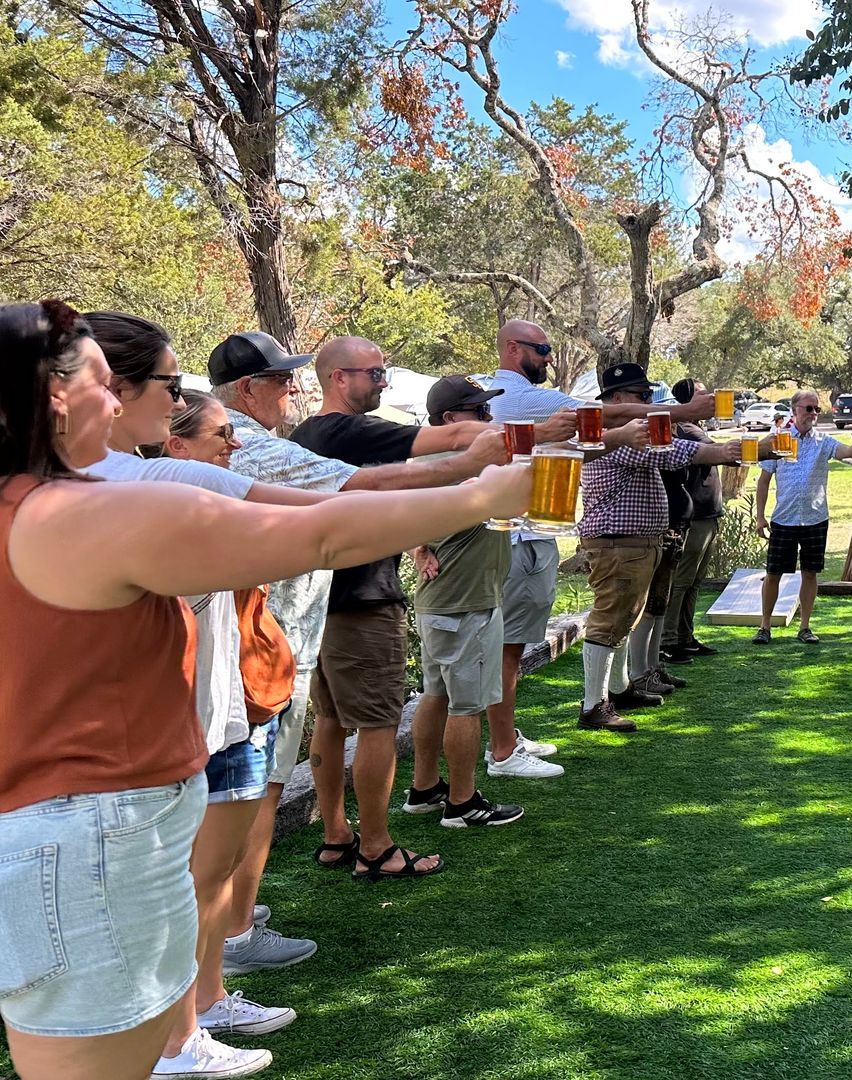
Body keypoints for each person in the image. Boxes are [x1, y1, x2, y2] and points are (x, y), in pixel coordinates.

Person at [0, 299, 527, 1080]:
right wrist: (481, 497)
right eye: (106, 385)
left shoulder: (42, 504)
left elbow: (327, 514)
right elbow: (320, 535)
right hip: (91, 841)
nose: (118, 404)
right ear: (53, 396)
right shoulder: (76, 514)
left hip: (71, 835)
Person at [289, 337, 510, 882]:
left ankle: (338, 836)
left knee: (334, 719)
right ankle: (377, 847)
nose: (384, 384)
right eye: (375, 374)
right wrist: (540, 433)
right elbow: (455, 438)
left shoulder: (304, 436)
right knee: (380, 724)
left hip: (320, 599)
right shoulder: (346, 430)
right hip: (363, 598)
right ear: (338, 378)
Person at [486, 321, 712, 772]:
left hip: (535, 535)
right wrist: (685, 412)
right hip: (525, 537)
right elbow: (601, 420)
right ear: (513, 349)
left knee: (512, 647)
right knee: (506, 649)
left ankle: (508, 739)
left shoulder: (531, 402)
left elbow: (587, 437)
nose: (550, 358)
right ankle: (508, 748)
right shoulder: (522, 397)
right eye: (543, 349)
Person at [157, 392, 307, 1054]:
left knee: (214, 871)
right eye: (221, 435)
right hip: (190, 719)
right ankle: (174, 1029)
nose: (234, 446)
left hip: (237, 708)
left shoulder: (210, 511)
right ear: (175, 447)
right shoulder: (163, 521)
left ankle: (208, 1002)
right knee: (191, 874)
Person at [579, 364, 741, 728]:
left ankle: (619, 689)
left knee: (625, 618)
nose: (648, 402)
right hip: (617, 542)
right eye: (641, 396)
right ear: (616, 400)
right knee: (609, 621)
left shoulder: (621, 434)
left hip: (633, 542)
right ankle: (593, 706)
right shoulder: (615, 436)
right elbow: (668, 453)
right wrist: (726, 451)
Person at [401, 376, 529, 830]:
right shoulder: (462, 467)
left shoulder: (433, 465)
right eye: (479, 412)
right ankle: (461, 802)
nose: (488, 419)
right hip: (465, 603)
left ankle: (424, 788)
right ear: (451, 420)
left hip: (444, 602)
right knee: (466, 705)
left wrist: (419, 544)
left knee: (436, 694)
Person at [752, 389, 852, 644]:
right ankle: (765, 626)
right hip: (784, 518)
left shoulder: (824, 441)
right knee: (773, 573)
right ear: (794, 410)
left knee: (810, 573)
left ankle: (805, 627)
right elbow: (763, 481)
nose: (813, 414)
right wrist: (760, 516)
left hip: (815, 518)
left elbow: (848, 452)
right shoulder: (777, 440)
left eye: (816, 409)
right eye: (808, 408)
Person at [661, 378, 725, 664]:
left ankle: (686, 636)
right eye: (701, 395)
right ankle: (669, 640)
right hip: (696, 516)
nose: (708, 398)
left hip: (708, 515)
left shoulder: (697, 428)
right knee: (682, 580)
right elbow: (717, 451)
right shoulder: (687, 430)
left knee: (695, 581)